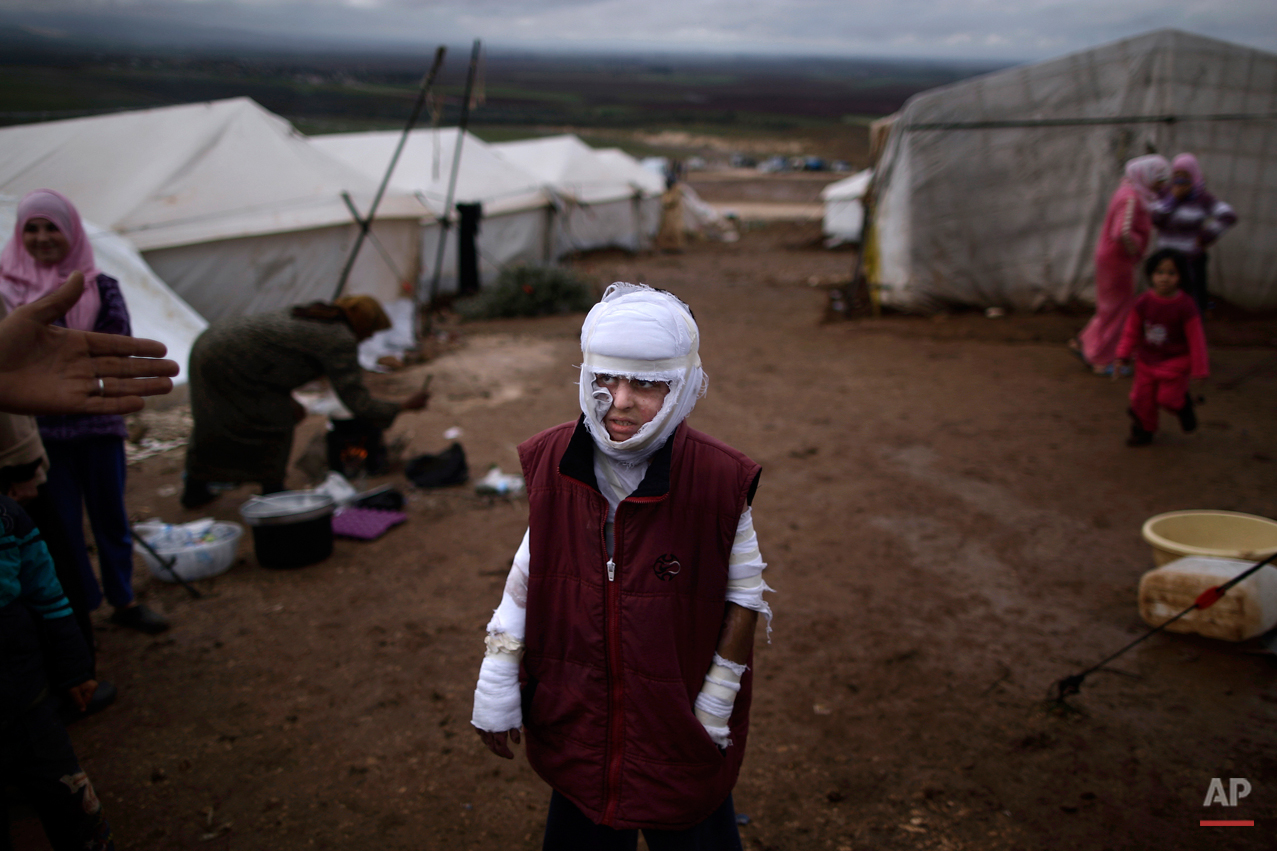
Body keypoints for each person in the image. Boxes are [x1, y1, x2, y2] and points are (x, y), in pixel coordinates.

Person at [471, 283, 774, 849]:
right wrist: (496, 681)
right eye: (604, 381)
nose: (622, 401)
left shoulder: (717, 479)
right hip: (579, 720)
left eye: (646, 384)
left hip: (677, 726)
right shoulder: (554, 460)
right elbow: (527, 577)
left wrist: (713, 707)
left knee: (691, 826)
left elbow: (744, 596)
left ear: (681, 388)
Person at [1, 189, 167, 635]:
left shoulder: (100, 287)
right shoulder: (4, 292)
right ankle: (80, 606)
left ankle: (124, 598)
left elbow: (117, 351)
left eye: (51, 227)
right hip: (40, 438)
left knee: (110, 517)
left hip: (99, 425)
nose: (41, 238)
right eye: (30, 228)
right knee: (63, 529)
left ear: (71, 232)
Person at [181, 296, 429, 508]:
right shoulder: (338, 337)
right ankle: (273, 490)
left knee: (213, 420)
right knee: (273, 419)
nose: (369, 337)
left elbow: (272, 359)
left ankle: (196, 487)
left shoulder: (318, 315)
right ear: (362, 323)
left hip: (210, 346)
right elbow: (357, 401)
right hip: (229, 361)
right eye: (370, 330)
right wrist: (404, 405)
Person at [0, 493, 115, 850]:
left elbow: (46, 593)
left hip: (28, 703)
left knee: (75, 812)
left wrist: (74, 670)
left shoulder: (8, 517)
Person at [1071, 155, 1171, 376]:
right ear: (1148, 176)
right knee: (1117, 309)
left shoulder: (1130, 191)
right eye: (1160, 179)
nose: (1162, 185)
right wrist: (1136, 251)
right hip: (1117, 262)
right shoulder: (1131, 198)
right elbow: (1122, 232)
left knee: (1110, 307)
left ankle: (1086, 342)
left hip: (1112, 259)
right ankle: (1099, 357)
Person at [1114, 249, 1209, 447]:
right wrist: (1122, 354)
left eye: (1171, 273)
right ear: (1151, 275)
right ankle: (1144, 431)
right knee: (1142, 400)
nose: (1164, 278)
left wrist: (1199, 369)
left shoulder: (1186, 306)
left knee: (1168, 399)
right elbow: (1131, 330)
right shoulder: (1143, 302)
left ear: (1181, 276)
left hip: (1175, 362)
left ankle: (1183, 406)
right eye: (1159, 272)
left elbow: (1196, 340)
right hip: (1147, 360)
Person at [1151, 153, 1238, 313]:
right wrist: (1173, 199)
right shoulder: (1165, 195)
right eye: (1176, 175)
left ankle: (1193, 335)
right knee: (1164, 301)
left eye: (1185, 175)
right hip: (1166, 260)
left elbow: (1229, 216)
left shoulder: (1202, 198)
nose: (1180, 180)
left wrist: (1205, 237)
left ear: (1194, 176)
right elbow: (1155, 219)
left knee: (1191, 303)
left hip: (1190, 260)